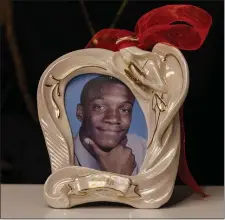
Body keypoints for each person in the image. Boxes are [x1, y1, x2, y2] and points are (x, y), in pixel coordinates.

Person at [74, 75, 147, 176]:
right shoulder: (60, 156)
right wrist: (118, 175)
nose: (114, 119)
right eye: (100, 107)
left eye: (124, 110)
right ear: (80, 112)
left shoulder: (143, 150)